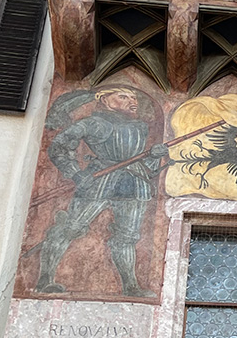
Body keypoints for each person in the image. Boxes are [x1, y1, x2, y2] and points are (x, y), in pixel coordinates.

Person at [35, 87, 163, 297]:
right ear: (105, 100)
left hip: (133, 182)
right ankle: (45, 279)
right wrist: (76, 174)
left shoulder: (140, 126)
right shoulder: (93, 123)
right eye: (123, 96)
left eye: (134, 97)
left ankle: (130, 286)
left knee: (127, 236)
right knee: (71, 227)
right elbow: (58, 146)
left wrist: (154, 155)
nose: (132, 101)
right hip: (99, 181)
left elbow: (144, 162)